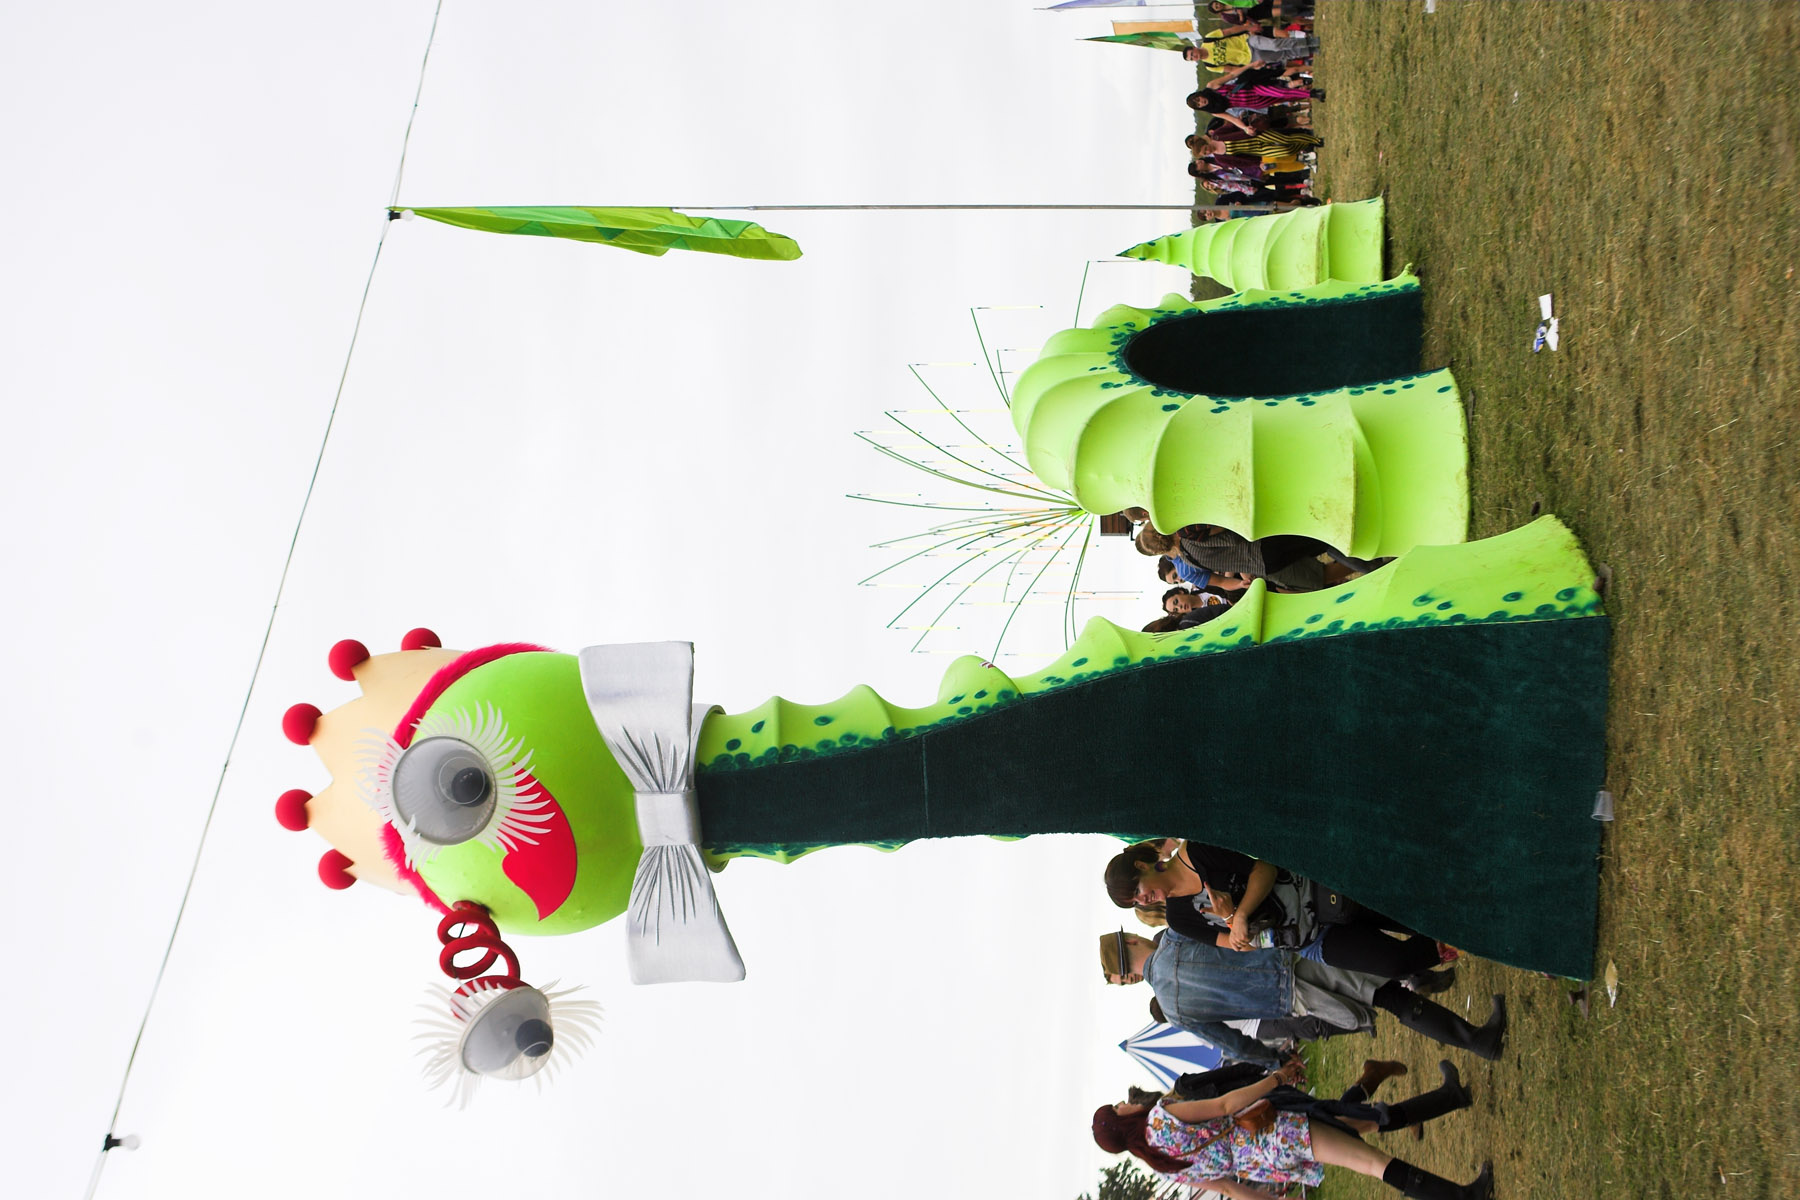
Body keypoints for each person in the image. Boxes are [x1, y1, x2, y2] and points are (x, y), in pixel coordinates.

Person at [1099, 930, 1508, 1071]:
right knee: (1387, 991)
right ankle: (1477, 1039)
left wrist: (1275, 1061)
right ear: (1130, 940)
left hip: (1291, 1000)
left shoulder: (1173, 1010)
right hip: (1291, 960)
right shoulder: (1175, 935)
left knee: (1388, 995)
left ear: (1128, 977)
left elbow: (1232, 1044)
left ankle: (1478, 1038)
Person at [1105, 839, 1454, 989]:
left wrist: (1240, 912)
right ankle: (1445, 946)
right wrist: (1231, 919)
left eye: (1136, 891)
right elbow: (1239, 945)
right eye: (1134, 902)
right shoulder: (1178, 918)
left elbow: (1264, 868)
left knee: (1406, 914)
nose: (1142, 900)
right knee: (1395, 963)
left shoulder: (1194, 851)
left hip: (1318, 891)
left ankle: (1455, 924)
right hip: (1309, 939)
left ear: (1141, 866)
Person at [1092, 1074, 1495, 1200]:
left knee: (1362, 1125)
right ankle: (1464, 1196)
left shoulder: (1162, 1168)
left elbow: (1229, 1189)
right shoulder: (1160, 1118)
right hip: (1275, 1132)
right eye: (1116, 1107)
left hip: (1269, 1162)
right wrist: (1274, 1079)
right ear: (1119, 1119)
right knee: (1371, 1161)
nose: (1123, 1104)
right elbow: (1224, 1105)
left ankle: (1450, 1097)